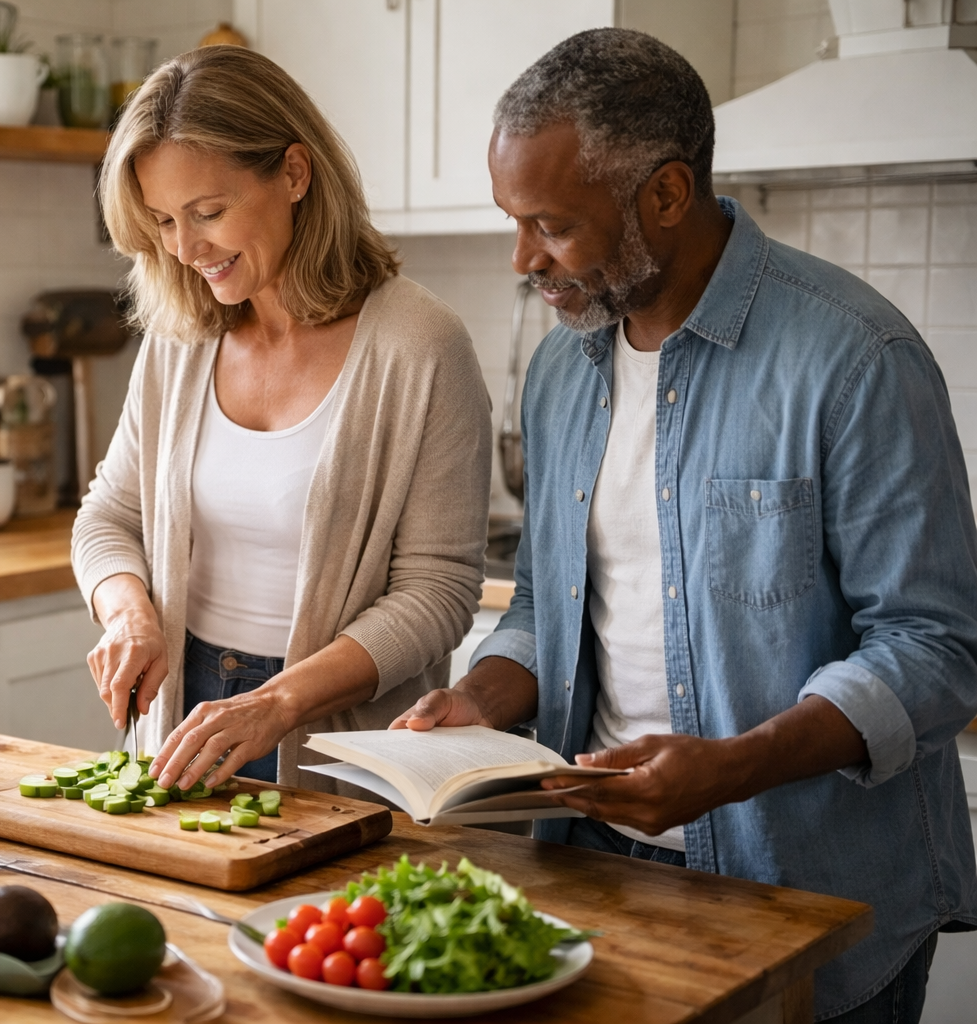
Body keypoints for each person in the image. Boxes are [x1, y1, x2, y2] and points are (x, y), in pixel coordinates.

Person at [391, 28, 977, 1023]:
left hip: (805, 892)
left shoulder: (855, 356)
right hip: (599, 875)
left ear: (664, 195)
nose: (525, 258)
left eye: (551, 225)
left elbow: (933, 648)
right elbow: (545, 606)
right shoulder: (559, 376)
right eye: (514, 221)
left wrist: (734, 765)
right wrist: (481, 697)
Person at [73, 45, 492, 792]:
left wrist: (277, 703)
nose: (184, 248)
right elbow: (108, 516)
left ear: (295, 174)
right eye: (164, 220)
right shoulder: (180, 340)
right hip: (183, 714)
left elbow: (438, 592)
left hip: (342, 737)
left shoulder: (420, 346)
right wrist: (128, 615)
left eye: (208, 213)